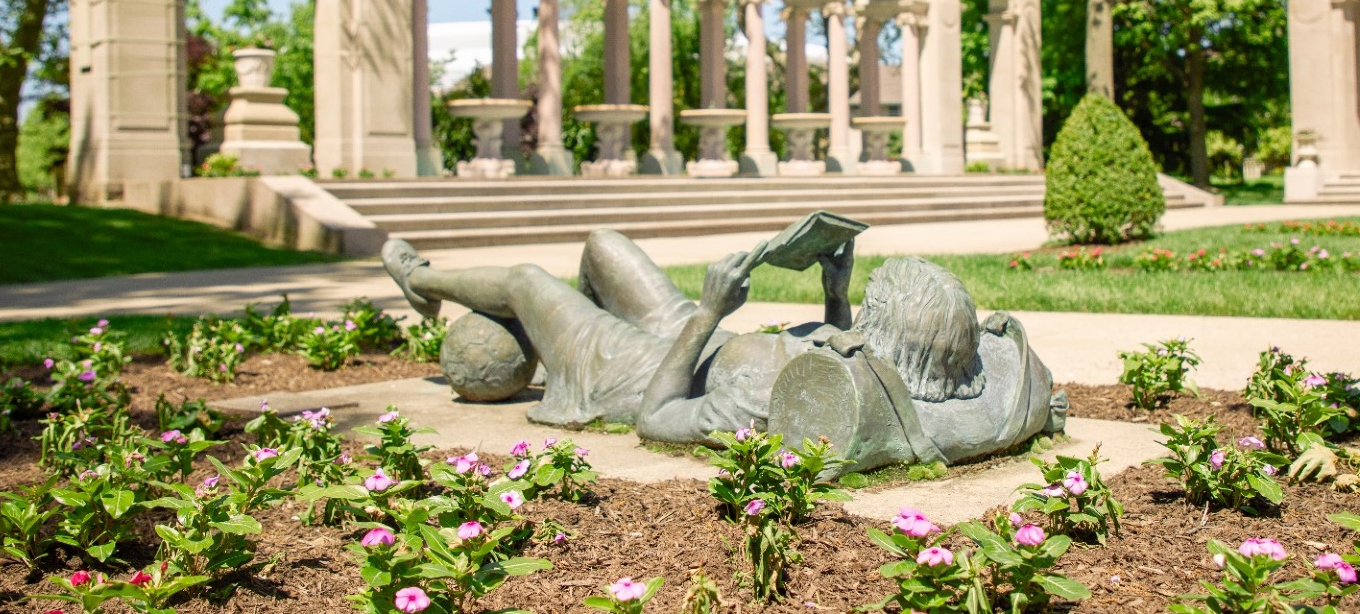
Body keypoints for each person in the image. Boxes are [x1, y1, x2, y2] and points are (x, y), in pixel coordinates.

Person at [382, 224, 1059, 460]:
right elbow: (869, 365)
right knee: (601, 244)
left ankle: (421, 282)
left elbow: (657, 418)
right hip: (690, 332)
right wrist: (836, 293)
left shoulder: (777, 399)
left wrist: (708, 312)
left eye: (868, 309)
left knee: (527, 280)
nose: (856, 323)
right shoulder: (898, 370)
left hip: (636, 370)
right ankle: (549, 340)